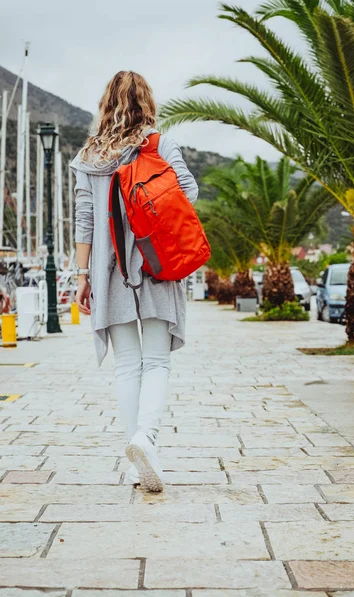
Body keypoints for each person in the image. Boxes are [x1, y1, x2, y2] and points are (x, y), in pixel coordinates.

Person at [70, 71, 198, 492]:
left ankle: (133, 457)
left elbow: (85, 220)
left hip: (109, 271)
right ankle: (147, 438)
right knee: (156, 361)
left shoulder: (89, 155)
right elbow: (188, 193)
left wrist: (82, 276)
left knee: (127, 364)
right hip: (155, 262)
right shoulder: (160, 145)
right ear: (147, 102)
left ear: (106, 104)